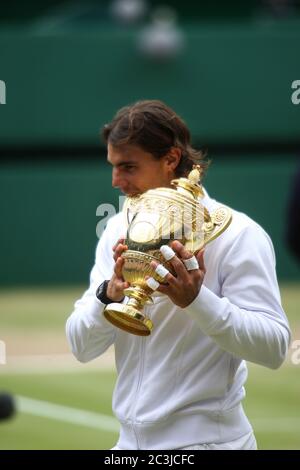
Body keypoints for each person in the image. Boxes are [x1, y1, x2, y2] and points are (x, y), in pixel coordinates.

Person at [66, 100, 291, 450]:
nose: (116, 181)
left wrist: (197, 301)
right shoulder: (117, 229)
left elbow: (274, 348)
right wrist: (107, 296)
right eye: (112, 167)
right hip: (129, 447)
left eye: (128, 167)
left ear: (171, 159)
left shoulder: (238, 234)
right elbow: (81, 347)